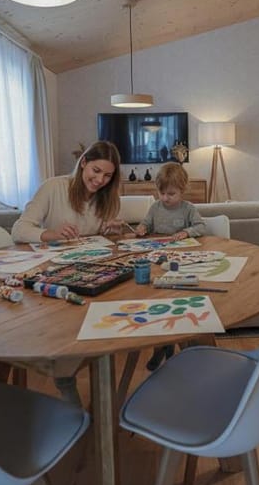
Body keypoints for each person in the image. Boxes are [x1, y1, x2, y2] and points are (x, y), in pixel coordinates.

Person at [11, 140, 126, 404]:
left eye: (108, 175)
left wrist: (111, 231)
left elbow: (98, 242)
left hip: (90, 273)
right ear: (83, 162)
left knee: (103, 320)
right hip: (53, 275)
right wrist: (50, 234)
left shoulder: (108, 197)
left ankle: (98, 391)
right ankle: (66, 381)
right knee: (67, 327)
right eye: (96, 170)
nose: (100, 180)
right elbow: (18, 230)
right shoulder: (53, 187)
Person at [134, 162, 206, 370]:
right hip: (157, 259)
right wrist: (141, 228)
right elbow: (146, 224)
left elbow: (201, 226)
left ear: (182, 190)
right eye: (162, 193)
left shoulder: (188, 209)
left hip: (180, 261)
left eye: (171, 194)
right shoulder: (155, 208)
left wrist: (186, 232)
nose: (165, 198)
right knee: (158, 298)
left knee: (178, 300)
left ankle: (177, 347)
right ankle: (161, 346)